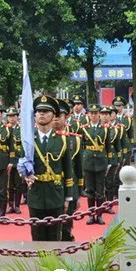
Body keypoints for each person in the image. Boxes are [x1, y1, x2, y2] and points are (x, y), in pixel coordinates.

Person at [23, 95, 74, 241]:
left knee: (54, 236)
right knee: (37, 236)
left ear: (53, 115)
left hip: (55, 194)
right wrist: (25, 175)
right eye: (39, 111)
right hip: (36, 194)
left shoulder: (62, 139)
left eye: (45, 111)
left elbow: (68, 170)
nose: (41, 114)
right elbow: (22, 163)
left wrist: (68, 197)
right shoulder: (28, 140)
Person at [54, 99, 82, 241]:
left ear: (67, 117)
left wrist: (78, 193)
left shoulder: (74, 140)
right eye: (54, 115)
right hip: (51, 186)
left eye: (59, 115)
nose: (56, 118)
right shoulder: (41, 139)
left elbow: (78, 168)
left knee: (66, 224)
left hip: (69, 186)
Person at [79, 104, 111, 225]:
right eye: (91, 113)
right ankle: (91, 215)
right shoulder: (84, 128)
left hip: (101, 161)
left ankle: (100, 215)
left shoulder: (105, 129)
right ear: (88, 115)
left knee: (100, 190)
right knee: (90, 190)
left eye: (95, 113)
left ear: (99, 115)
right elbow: (81, 146)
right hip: (88, 161)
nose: (93, 115)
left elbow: (108, 146)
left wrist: (109, 162)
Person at [5, 107, 25, 214]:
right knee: (9, 185)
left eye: (13, 116)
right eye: (9, 116)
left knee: (18, 184)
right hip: (7, 159)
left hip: (18, 159)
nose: (11, 118)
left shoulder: (21, 129)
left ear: (17, 117)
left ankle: (17, 205)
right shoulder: (5, 129)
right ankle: (10, 205)